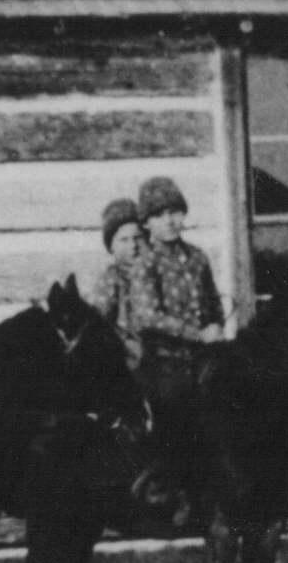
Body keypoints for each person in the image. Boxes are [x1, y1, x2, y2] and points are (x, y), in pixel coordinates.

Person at [129, 177, 225, 512]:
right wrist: (196, 334)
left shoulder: (197, 258)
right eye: (160, 215)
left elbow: (213, 303)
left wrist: (215, 324)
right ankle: (171, 488)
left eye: (176, 212)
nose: (170, 221)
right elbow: (147, 316)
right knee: (176, 412)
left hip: (203, 359)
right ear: (147, 222)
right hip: (164, 362)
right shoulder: (145, 263)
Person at [89, 197, 144, 367]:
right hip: (126, 357)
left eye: (138, 238)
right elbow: (99, 323)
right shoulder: (111, 279)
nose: (133, 245)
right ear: (111, 246)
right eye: (124, 240)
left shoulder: (152, 273)